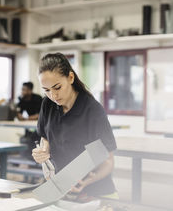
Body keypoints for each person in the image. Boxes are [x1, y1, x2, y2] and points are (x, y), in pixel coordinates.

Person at [32, 52, 118, 199]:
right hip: (62, 190)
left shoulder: (92, 110)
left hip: (97, 193)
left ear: (70, 78)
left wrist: (86, 181)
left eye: (57, 87)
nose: (53, 95)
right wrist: (44, 151)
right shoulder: (48, 104)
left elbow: (108, 161)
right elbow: (45, 136)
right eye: (46, 90)